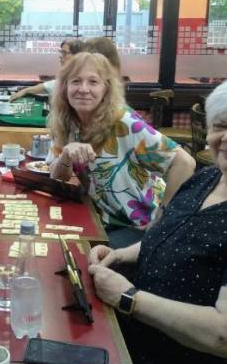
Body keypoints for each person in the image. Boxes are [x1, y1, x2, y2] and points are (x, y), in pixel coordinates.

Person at [88, 82, 227, 364]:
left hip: (168, 363)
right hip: (128, 336)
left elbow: (222, 336)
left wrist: (128, 299)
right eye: (220, 125)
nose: (224, 138)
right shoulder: (207, 178)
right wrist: (124, 254)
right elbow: (177, 235)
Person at [48, 53, 195, 248]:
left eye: (93, 82)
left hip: (138, 224)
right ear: (64, 87)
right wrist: (66, 154)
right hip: (103, 219)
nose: (83, 89)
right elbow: (58, 177)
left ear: (106, 89)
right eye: (76, 81)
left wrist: (163, 216)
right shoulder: (67, 123)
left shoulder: (124, 123)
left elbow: (185, 163)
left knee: (84, 262)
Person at [9, 39, 84, 102]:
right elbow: (50, 86)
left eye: (64, 53)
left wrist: (25, 91)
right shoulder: (68, 75)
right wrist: (25, 91)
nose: (61, 56)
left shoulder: (82, 76)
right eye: (61, 52)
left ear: (77, 55)